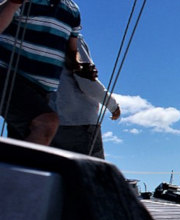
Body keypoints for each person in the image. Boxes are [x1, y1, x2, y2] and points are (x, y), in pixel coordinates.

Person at [0, 0, 81, 145]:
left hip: (42, 90)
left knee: (23, 145)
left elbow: (72, 50)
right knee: (46, 123)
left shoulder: (73, 10)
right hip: (7, 76)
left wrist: (80, 64)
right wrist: (13, 3)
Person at [51, 36, 120, 159]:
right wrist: (113, 105)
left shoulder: (35, 35)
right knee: (90, 174)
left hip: (49, 122)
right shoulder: (72, 38)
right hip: (79, 123)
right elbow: (86, 81)